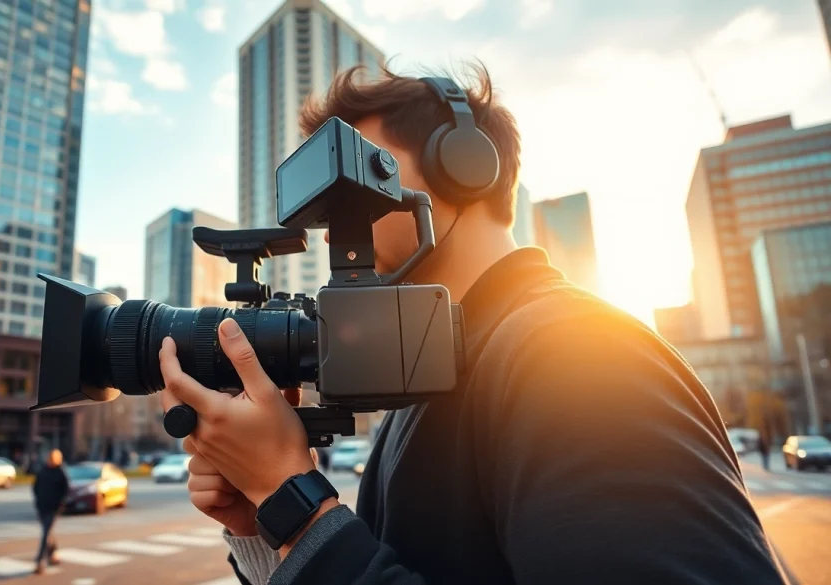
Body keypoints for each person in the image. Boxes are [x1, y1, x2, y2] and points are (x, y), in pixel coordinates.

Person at [160, 61, 790, 585]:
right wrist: (263, 522)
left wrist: (295, 503)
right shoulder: (431, 375)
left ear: (463, 166)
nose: (336, 222)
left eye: (362, 172)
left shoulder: (579, 355)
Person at [32, 449, 69, 575]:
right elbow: (35, 487)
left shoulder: (60, 472)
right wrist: (38, 500)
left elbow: (65, 490)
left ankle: (40, 561)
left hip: (53, 508)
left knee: (46, 533)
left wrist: (60, 504)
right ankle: (53, 555)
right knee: (48, 533)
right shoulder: (43, 471)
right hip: (42, 507)